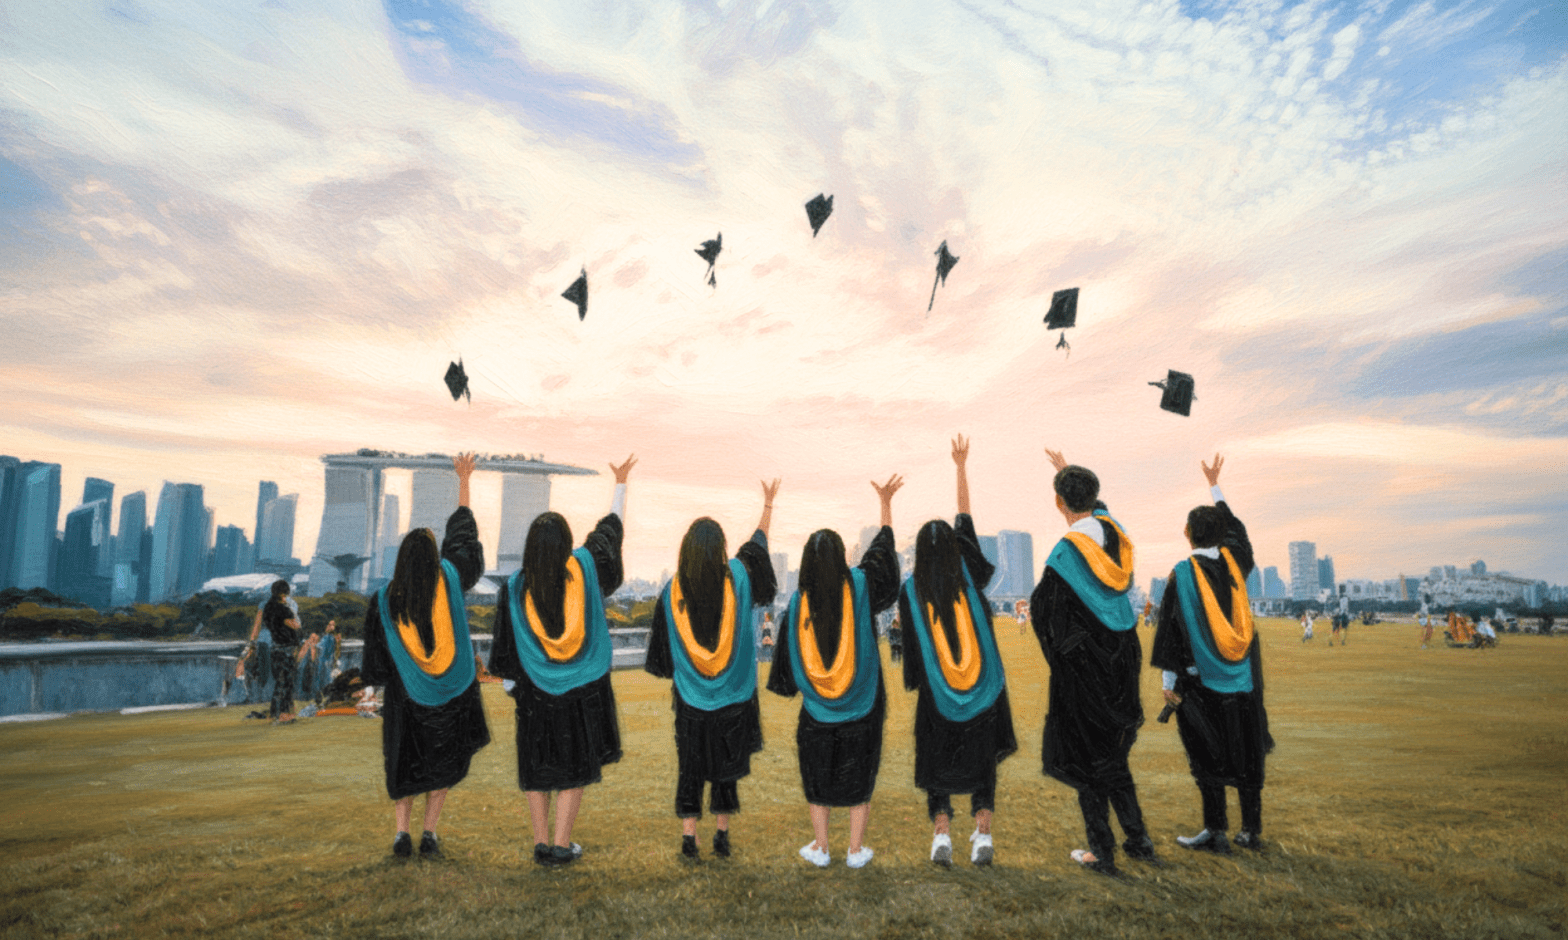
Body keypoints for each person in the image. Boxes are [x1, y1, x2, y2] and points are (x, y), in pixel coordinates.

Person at [489, 455, 636, 867]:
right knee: (574, 766)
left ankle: (540, 843)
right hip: (580, 692)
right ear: (568, 542)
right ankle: (561, 843)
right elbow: (609, 534)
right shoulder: (585, 569)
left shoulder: (514, 587)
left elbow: (504, 653)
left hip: (533, 693)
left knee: (537, 766)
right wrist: (620, 485)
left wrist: (514, 686)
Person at [1029, 447, 1156, 876]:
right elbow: (1096, 509)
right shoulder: (1116, 536)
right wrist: (1068, 472)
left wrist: (1064, 660)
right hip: (1123, 664)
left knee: (1089, 762)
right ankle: (1138, 839)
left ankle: (1102, 852)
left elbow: (1046, 616)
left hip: (1085, 673)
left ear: (1058, 502)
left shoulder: (1064, 557)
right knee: (1115, 758)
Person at [767, 474, 903, 870]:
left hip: (817, 713)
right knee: (860, 771)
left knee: (818, 775)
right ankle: (856, 849)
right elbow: (882, 556)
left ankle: (822, 847)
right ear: (843, 556)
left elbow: (785, 675)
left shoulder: (796, 607)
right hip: (863, 705)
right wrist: (885, 505)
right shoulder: (860, 584)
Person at [360, 453, 490, 860]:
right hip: (451, 695)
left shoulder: (383, 601)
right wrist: (464, 481)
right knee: (442, 764)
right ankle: (430, 833)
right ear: (435, 559)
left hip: (406, 698)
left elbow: (377, 666)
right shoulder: (449, 578)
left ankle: (402, 834)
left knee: (406, 765)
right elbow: (463, 539)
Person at [644, 479, 781, 863]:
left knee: (690, 767)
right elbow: (757, 546)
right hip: (733, 698)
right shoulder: (737, 578)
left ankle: (689, 839)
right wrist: (768, 505)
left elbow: (662, 661)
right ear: (721, 549)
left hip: (690, 699)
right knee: (725, 766)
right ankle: (721, 836)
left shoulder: (673, 592)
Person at [899, 435, 1016, 867]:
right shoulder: (968, 573)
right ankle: (983, 836)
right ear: (953, 548)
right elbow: (965, 518)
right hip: (984, 688)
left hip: (938, 692)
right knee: (982, 760)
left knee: (937, 760)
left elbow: (911, 648)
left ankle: (941, 835)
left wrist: (918, 679)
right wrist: (960, 467)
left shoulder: (910, 591)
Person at [1151, 454, 1274, 854]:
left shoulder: (1181, 574)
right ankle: (1251, 830)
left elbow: (1169, 632)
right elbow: (1239, 534)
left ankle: (1216, 831)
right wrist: (1215, 487)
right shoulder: (1237, 565)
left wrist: (1168, 684)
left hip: (1198, 681)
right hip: (1243, 679)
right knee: (1247, 749)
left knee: (1207, 752)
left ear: (1187, 533)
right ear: (1220, 536)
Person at [249, 579, 302, 722]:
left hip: (275, 646)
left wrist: (252, 643)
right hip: (286, 647)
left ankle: (276, 712)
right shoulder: (284, 608)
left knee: (279, 681)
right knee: (286, 682)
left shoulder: (267, 607)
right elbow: (295, 625)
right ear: (284, 593)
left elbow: (259, 624)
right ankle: (283, 713)